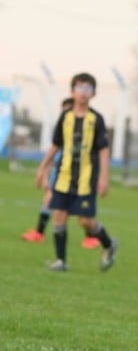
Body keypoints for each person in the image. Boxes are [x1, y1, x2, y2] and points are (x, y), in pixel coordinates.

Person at [34, 72, 119, 272]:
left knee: (85, 221)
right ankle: (61, 261)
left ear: (93, 93)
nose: (83, 93)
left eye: (88, 88)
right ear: (72, 92)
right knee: (59, 215)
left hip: (86, 179)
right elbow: (56, 145)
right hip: (64, 177)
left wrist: (104, 178)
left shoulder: (96, 119)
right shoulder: (65, 117)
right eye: (80, 88)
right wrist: (42, 168)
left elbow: (104, 149)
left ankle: (109, 244)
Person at [22, 97, 101, 249]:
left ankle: (91, 237)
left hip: (79, 175)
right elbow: (54, 152)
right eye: (63, 110)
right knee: (49, 199)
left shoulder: (84, 131)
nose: (65, 113)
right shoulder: (63, 129)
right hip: (62, 172)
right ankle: (40, 233)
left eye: (67, 110)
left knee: (81, 212)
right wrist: (44, 171)